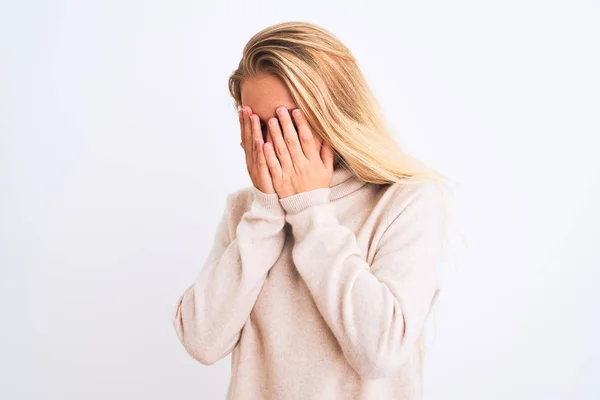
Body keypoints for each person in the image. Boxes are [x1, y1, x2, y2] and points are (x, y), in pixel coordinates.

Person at [173, 21, 450, 400]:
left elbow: (379, 352)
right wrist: (266, 213)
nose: (273, 146)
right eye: (259, 128)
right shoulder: (247, 211)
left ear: (333, 113)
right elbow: (201, 340)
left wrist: (309, 212)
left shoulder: (406, 202)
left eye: (289, 124)